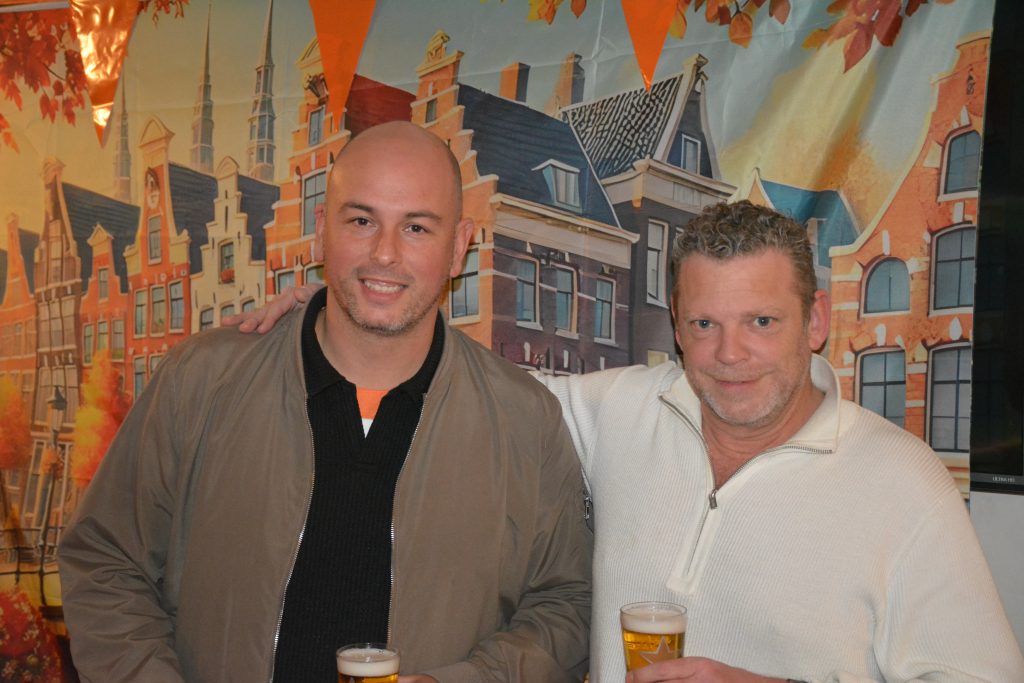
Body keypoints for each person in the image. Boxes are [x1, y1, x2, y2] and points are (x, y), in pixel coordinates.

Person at [243, 200, 1024, 682]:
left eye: (762, 321)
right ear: (675, 326)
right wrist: (353, 308)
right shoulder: (623, 410)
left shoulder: (904, 483)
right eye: (704, 323)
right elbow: (471, 385)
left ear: (815, 321)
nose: (730, 353)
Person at [57, 122, 593, 683]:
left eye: (416, 227)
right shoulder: (201, 381)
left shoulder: (525, 421)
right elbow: (105, 562)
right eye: (361, 221)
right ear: (320, 232)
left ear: (459, 247)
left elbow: (567, 606)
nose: (384, 253)